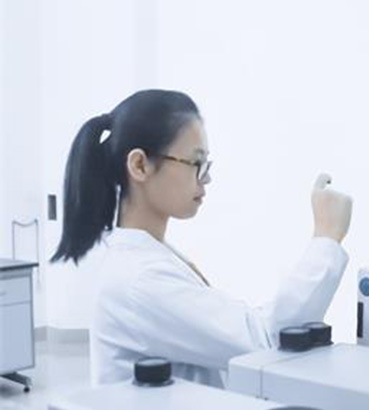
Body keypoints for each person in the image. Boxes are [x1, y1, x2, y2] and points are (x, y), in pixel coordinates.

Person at [51, 90, 353, 388]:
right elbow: (266, 342)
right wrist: (327, 237)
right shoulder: (140, 280)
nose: (206, 177)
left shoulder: (150, 259)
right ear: (140, 165)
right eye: (196, 163)